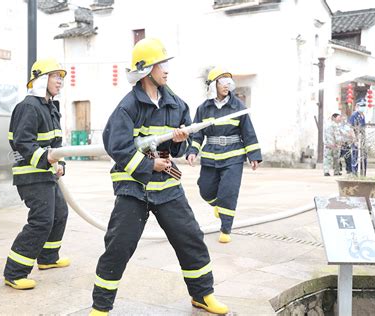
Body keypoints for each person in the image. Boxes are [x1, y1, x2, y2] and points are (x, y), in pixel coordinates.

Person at [89, 38, 229, 316]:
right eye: (160, 64)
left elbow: (178, 147)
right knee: (119, 245)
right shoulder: (127, 107)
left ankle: (203, 295)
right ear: (146, 70)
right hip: (133, 188)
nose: (166, 70)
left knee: (190, 237)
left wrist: (179, 141)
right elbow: (116, 146)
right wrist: (147, 167)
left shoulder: (176, 104)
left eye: (166, 63)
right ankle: (100, 307)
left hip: (167, 186)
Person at [4, 58, 70, 290]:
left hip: (46, 173)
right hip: (31, 174)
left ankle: (48, 258)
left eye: (61, 77)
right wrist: (46, 159)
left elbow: (56, 142)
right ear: (42, 79)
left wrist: (59, 162)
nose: (60, 81)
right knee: (41, 220)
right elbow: (22, 142)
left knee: (60, 213)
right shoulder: (29, 107)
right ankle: (14, 272)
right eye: (55, 76)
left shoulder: (50, 107)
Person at [186, 67, 262, 244]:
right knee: (205, 189)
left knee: (228, 192)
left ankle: (226, 228)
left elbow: (248, 132)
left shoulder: (238, 107)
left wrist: (254, 155)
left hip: (233, 156)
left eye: (229, 82)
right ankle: (217, 206)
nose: (226, 86)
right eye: (222, 82)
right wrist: (192, 151)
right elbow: (197, 133)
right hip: (211, 155)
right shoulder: (203, 109)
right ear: (213, 85)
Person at [349, 98, 368, 176]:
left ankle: (363, 172)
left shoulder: (362, 115)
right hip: (356, 139)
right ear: (357, 106)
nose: (363, 107)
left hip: (362, 139)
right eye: (361, 105)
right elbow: (351, 128)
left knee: (364, 156)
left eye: (364, 105)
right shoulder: (354, 115)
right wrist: (355, 140)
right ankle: (354, 173)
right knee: (355, 156)